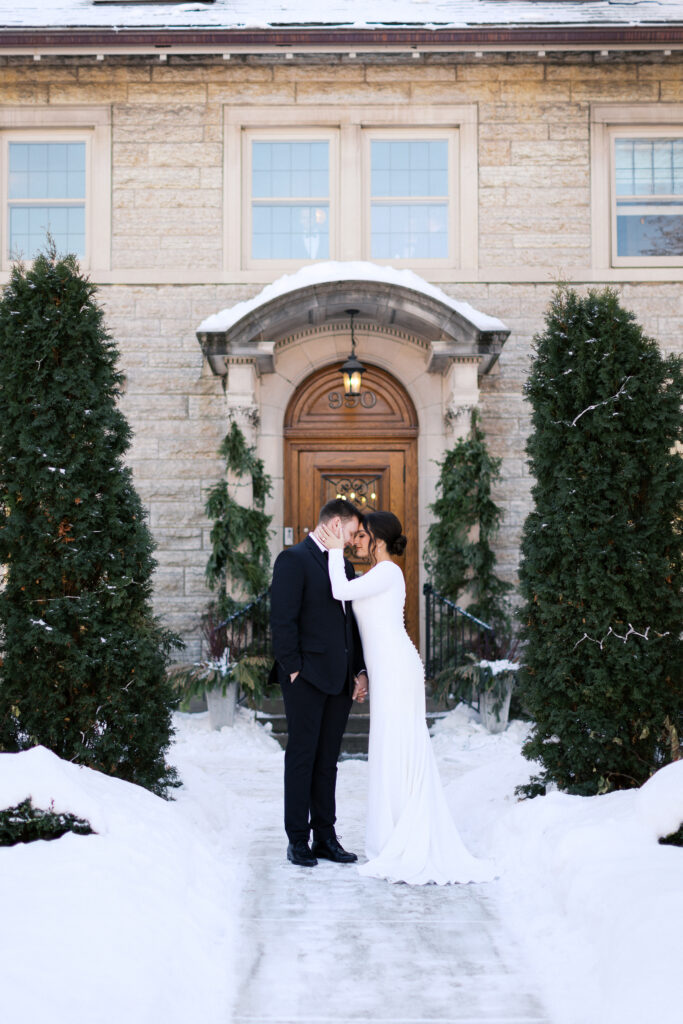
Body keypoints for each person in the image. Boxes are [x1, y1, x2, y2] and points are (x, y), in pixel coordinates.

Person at [317, 510, 497, 886]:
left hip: (398, 669)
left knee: (399, 746)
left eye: (362, 536)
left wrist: (334, 550)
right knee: (388, 747)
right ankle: (391, 833)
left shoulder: (388, 572)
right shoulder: (375, 574)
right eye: (356, 537)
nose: (356, 542)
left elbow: (340, 591)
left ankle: (404, 834)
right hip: (385, 670)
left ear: (378, 539)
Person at [270, 498, 369, 868]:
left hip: (339, 679)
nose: (353, 539)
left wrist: (358, 670)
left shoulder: (340, 563)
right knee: (302, 757)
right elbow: (282, 619)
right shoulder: (293, 559)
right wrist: (293, 668)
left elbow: (349, 623)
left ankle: (325, 836)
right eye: (352, 532)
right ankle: (298, 839)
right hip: (306, 678)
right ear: (335, 524)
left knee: (328, 761)